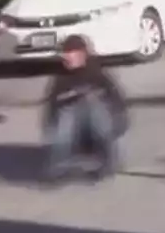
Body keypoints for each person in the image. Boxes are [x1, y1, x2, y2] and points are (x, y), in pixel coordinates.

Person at [41, 35, 128, 180]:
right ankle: (59, 163)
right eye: (65, 54)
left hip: (99, 125)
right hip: (72, 127)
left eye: (70, 53)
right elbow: (52, 104)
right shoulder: (61, 77)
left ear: (82, 54)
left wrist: (120, 121)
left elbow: (116, 100)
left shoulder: (97, 73)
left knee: (93, 101)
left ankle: (109, 161)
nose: (66, 57)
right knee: (67, 111)